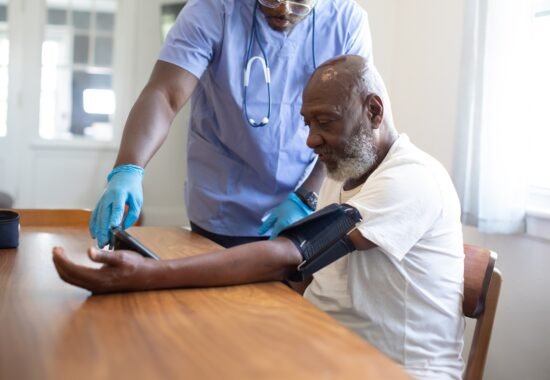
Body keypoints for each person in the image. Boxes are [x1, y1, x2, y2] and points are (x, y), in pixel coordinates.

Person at [54, 55, 465, 380]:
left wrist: (147, 275)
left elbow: (294, 254)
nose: (310, 139)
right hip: (329, 349)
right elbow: (304, 272)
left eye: (324, 122)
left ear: (373, 111)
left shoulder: (412, 179)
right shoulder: (352, 176)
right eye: (307, 124)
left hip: (396, 370)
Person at [89, 0, 381, 249]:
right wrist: (129, 167)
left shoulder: (346, 20)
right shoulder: (213, 9)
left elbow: (350, 125)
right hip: (221, 204)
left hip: (304, 203)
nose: (283, 8)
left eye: (299, 1)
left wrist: (308, 195)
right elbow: (165, 94)